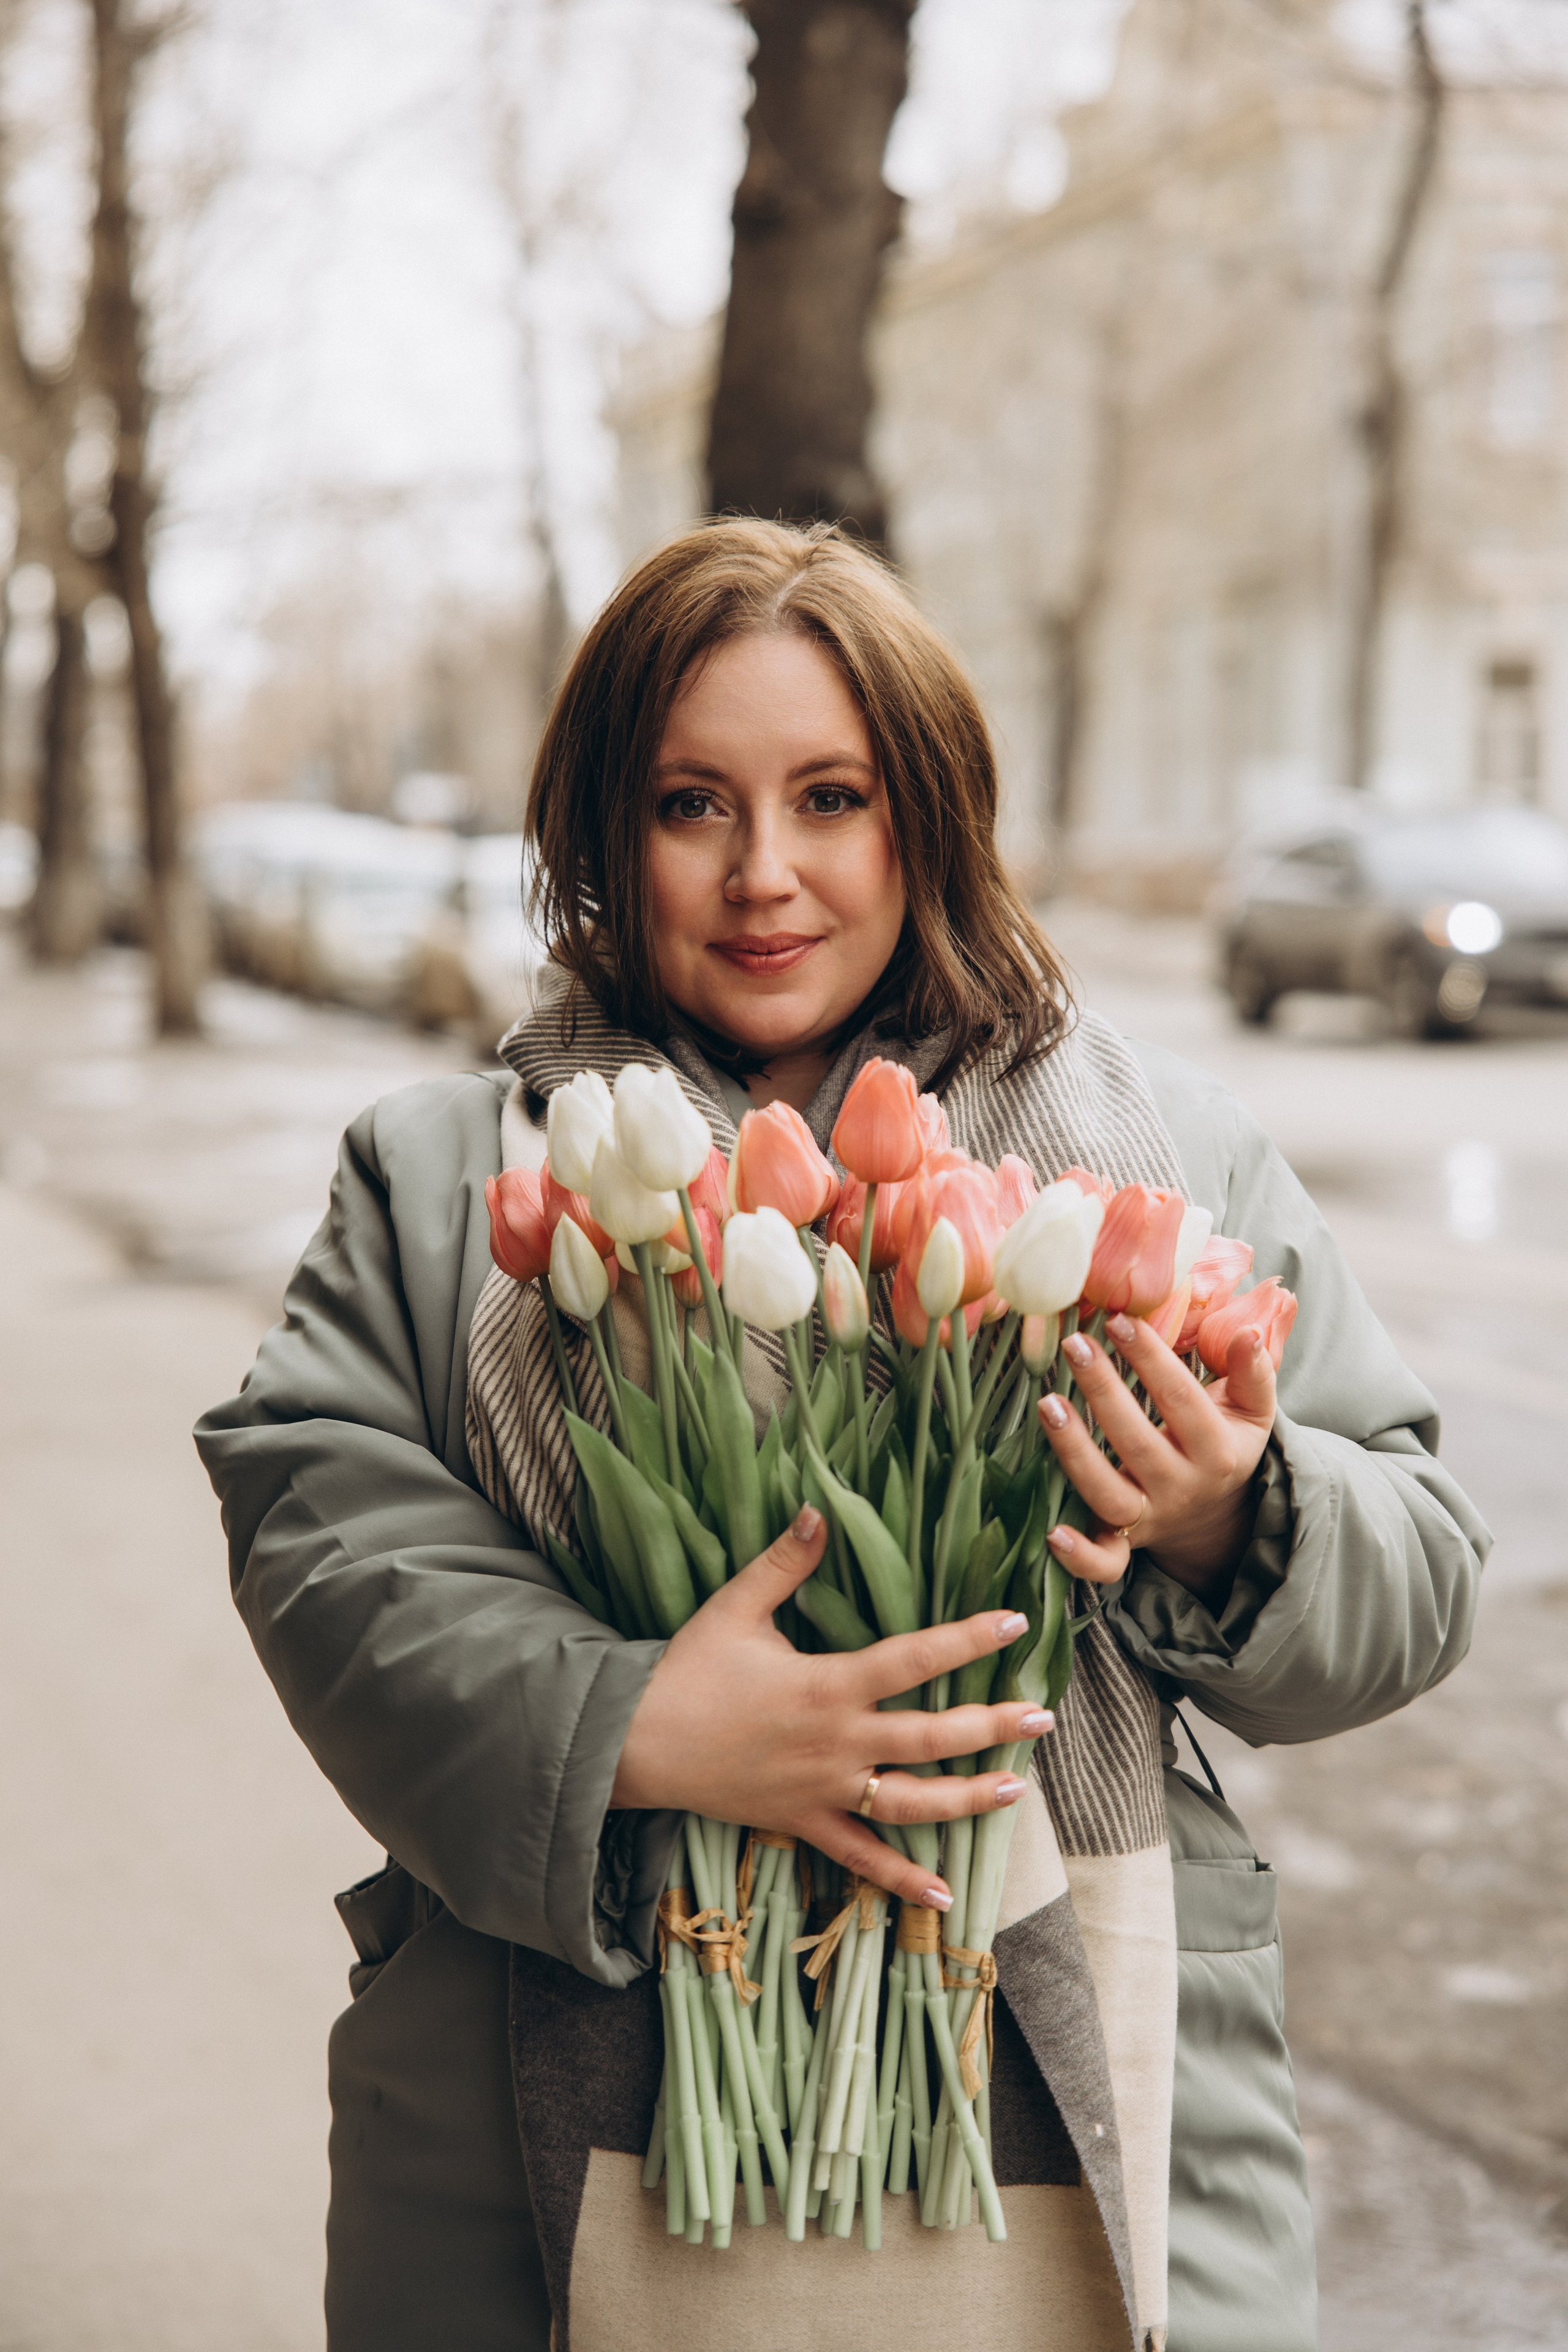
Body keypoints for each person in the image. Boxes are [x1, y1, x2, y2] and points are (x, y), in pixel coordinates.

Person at [197, 520, 1487, 2352]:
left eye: (832, 798)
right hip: (536, 2110)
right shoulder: (439, 1173)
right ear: (600, 835)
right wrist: (630, 1727)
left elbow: (1424, 1565)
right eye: (691, 805)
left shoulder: (1164, 1157)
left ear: (928, 819)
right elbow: (323, 1537)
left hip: (1088, 2062)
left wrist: (1235, 1511)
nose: (765, 875)